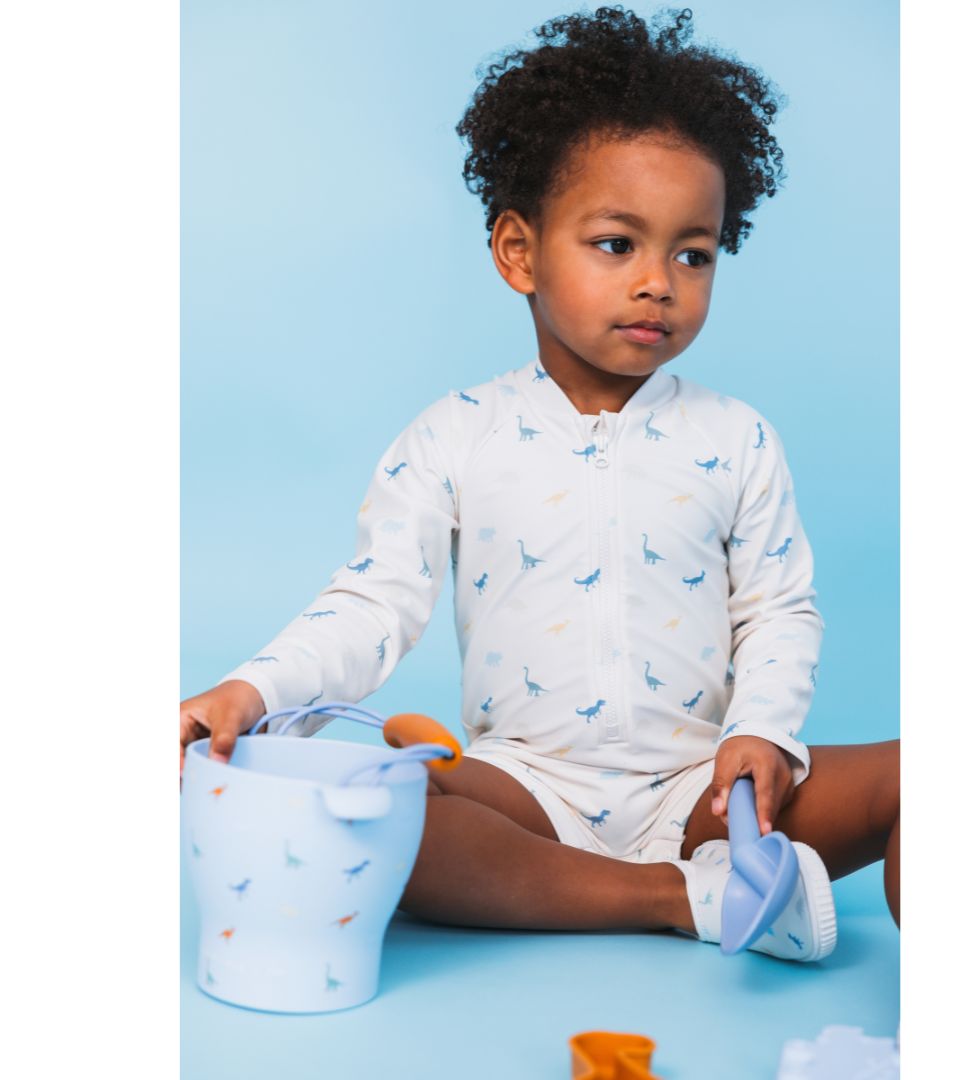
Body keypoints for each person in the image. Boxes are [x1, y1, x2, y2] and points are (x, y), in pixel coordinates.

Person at [179, 7, 899, 959]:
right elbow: (373, 602)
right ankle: (683, 898)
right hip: (527, 791)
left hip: (711, 790)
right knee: (384, 808)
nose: (659, 282)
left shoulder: (737, 439)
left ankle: (726, 881)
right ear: (519, 252)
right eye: (617, 244)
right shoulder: (452, 436)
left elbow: (778, 609)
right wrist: (254, 688)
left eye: (693, 253)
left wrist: (762, 734)